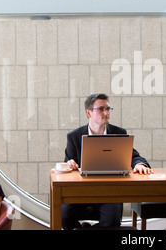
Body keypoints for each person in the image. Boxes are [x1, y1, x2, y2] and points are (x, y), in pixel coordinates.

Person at [62, 93, 153, 230]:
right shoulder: (74, 136)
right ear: (88, 112)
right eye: (101, 109)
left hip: (110, 192)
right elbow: (67, 165)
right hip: (82, 192)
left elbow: (133, 156)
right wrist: (70, 165)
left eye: (108, 109)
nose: (106, 113)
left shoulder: (119, 132)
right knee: (63, 215)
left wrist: (139, 164)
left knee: (112, 222)